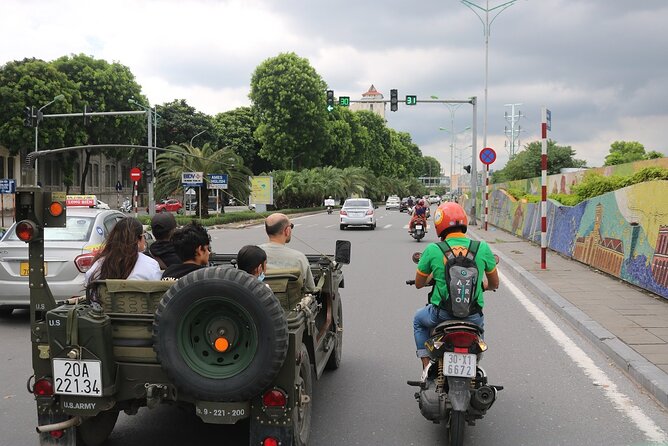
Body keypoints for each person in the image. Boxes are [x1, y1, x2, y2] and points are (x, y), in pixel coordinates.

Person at [412, 202, 499, 370]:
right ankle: (473, 363)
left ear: (439, 224)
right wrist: (483, 286)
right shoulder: (482, 247)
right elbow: (494, 283)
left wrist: (433, 277)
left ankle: (426, 364)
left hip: (441, 314)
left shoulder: (433, 249)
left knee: (418, 320)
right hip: (473, 316)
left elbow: (418, 284)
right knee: (478, 335)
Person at [85, 217, 162, 286]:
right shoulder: (151, 265)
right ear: (138, 240)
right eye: (143, 236)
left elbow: (90, 288)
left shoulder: (98, 265)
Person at [259, 213, 317, 292]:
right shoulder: (299, 258)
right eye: (291, 226)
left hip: (258, 303)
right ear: (287, 231)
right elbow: (310, 288)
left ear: (266, 231)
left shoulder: (253, 254)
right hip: (293, 303)